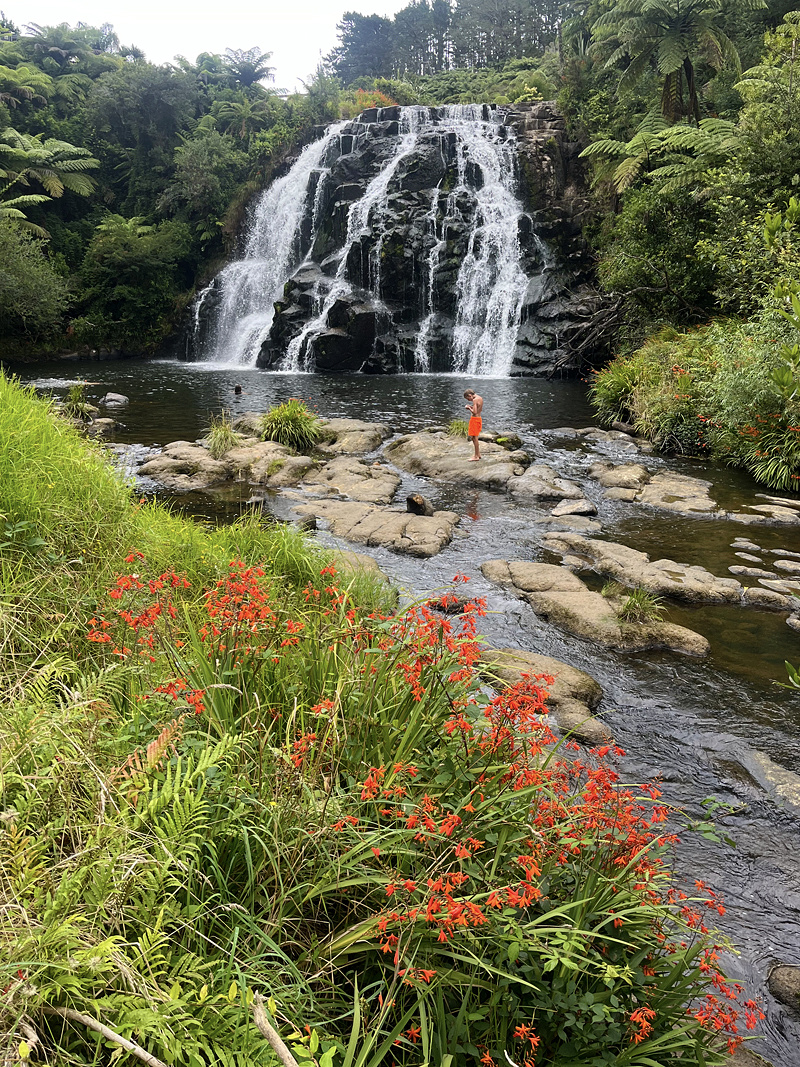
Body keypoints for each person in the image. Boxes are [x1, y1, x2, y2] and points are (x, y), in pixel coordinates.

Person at [463, 389, 483, 461]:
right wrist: (472, 407)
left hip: (474, 419)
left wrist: (468, 408)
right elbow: (478, 410)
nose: (469, 400)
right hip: (479, 419)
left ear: (470, 395)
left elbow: (474, 412)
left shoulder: (474, 400)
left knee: (475, 438)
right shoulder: (480, 398)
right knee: (474, 437)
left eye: (468, 398)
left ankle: (476, 456)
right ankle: (478, 454)